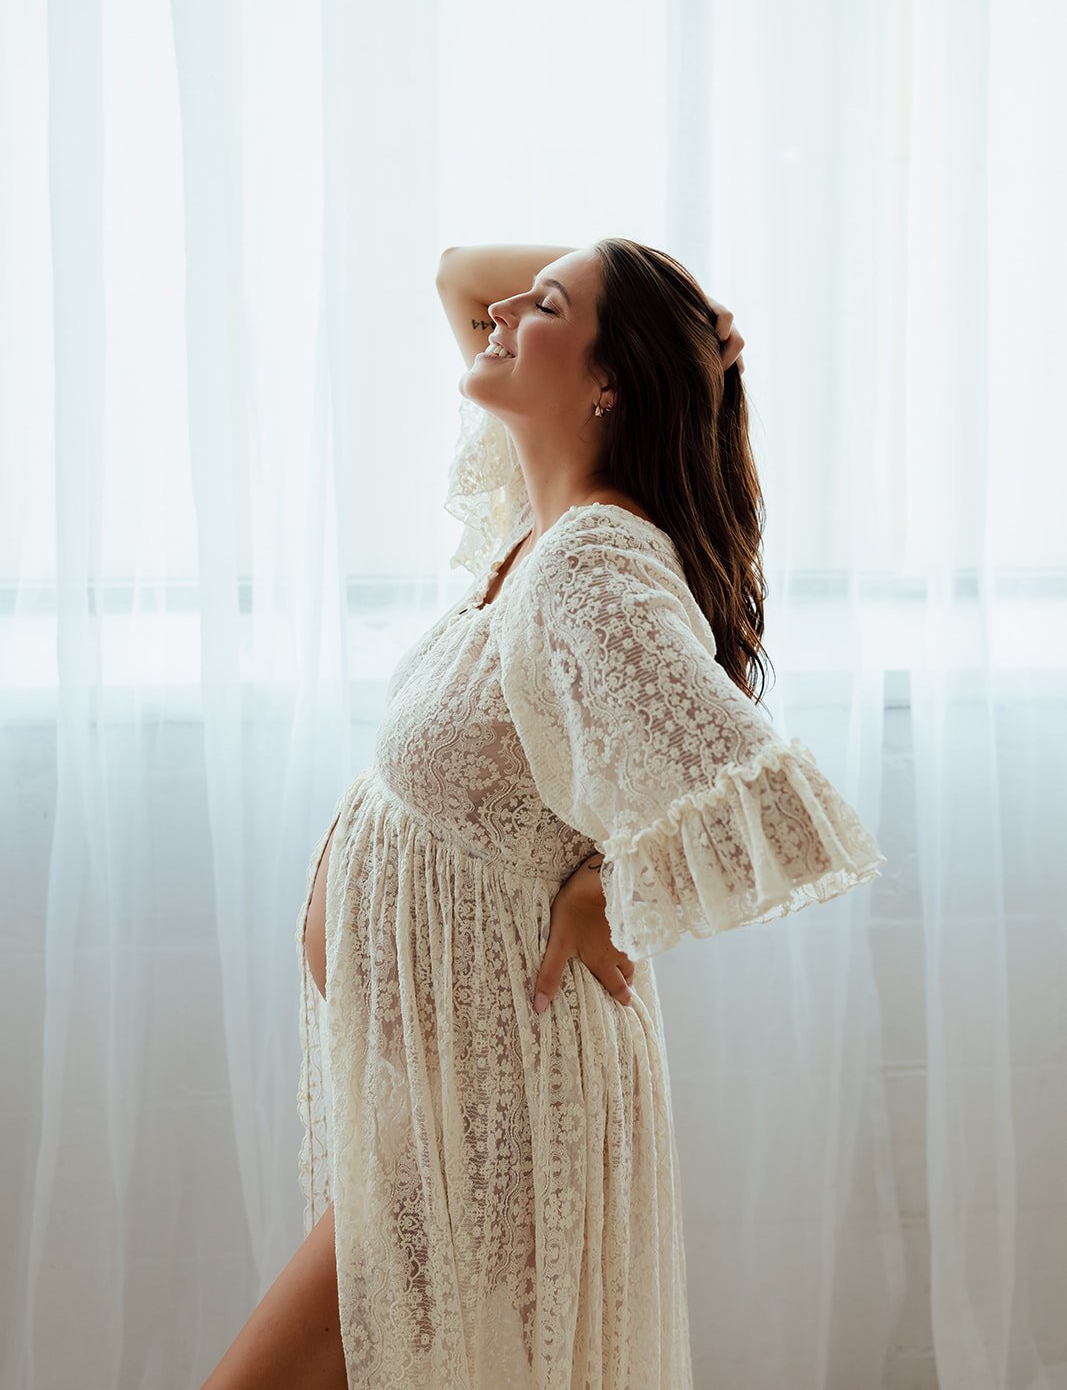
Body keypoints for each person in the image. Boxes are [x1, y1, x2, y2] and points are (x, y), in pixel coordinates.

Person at [201, 239, 886, 1389]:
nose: (503, 313)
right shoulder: (537, 524)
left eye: (547, 307)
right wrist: (679, 314)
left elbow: (773, 801)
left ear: (606, 381)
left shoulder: (590, 564)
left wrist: (610, 884)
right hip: (456, 1101)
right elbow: (459, 273)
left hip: (496, 1112)